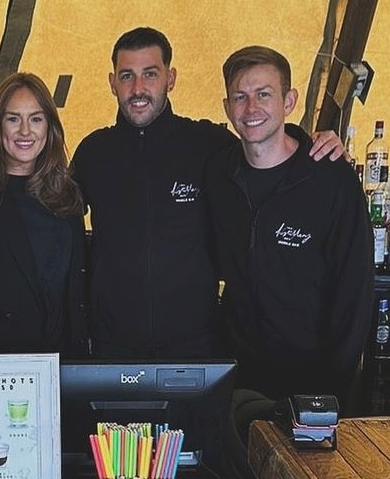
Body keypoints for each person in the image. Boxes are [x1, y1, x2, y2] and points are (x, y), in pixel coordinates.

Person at [71, 27, 345, 362]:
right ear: (112, 82)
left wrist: (311, 143)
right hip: (111, 346)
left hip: (197, 347)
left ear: (170, 79)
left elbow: (265, 151)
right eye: (127, 76)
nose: (138, 88)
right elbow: (52, 220)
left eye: (150, 74)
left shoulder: (208, 145)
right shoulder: (93, 153)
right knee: (118, 420)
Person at [205, 45, 374, 400]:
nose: (252, 109)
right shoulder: (218, 174)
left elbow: (355, 292)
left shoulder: (331, 179)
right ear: (226, 108)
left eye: (264, 94)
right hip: (238, 385)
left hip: (313, 385)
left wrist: (333, 390)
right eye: (240, 97)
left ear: (289, 101)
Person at [0, 72, 88, 354]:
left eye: (36, 119)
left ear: (49, 127)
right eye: (13, 118)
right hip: (1, 362)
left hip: (64, 361)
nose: (25, 131)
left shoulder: (67, 196)